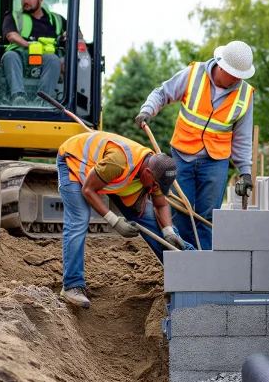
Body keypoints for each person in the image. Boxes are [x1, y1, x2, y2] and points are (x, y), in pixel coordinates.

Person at [136, 40, 255, 250]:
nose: (237, 79)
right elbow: (163, 93)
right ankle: (184, 265)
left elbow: (243, 138)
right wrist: (148, 110)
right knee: (181, 213)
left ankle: (204, 268)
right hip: (182, 155)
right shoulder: (194, 74)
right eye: (234, 73)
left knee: (207, 216)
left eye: (241, 75)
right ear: (221, 66)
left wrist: (245, 172)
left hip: (215, 161)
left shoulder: (244, 95)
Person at [56, 130, 188, 308]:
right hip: (75, 163)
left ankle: (188, 274)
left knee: (153, 223)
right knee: (79, 220)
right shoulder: (118, 162)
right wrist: (114, 221)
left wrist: (169, 231)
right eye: (156, 185)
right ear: (148, 173)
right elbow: (88, 190)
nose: (157, 189)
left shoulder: (156, 172)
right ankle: (72, 285)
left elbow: (161, 204)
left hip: (114, 178)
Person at [0, 0, 67, 106]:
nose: (26, 1)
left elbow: (78, 34)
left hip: (46, 59)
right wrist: (26, 45)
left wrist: (67, 35)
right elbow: (11, 35)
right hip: (21, 56)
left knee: (54, 60)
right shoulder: (13, 16)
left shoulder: (57, 19)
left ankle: (42, 101)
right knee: (10, 56)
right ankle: (18, 98)